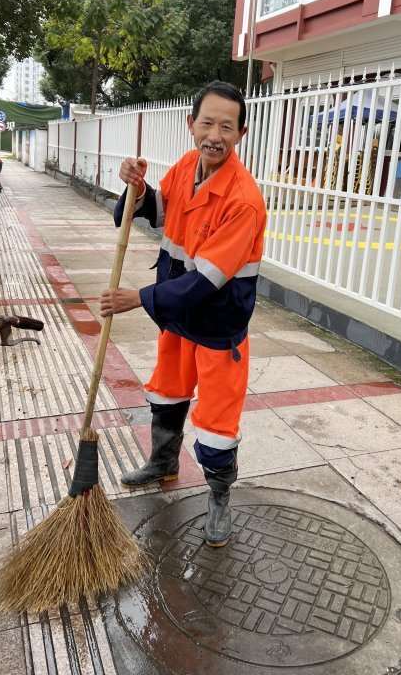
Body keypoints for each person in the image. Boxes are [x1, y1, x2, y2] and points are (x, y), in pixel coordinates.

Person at [100, 81, 266, 547]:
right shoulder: (184, 169)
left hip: (216, 327)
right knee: (167, 392)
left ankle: (218, 498)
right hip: (177, 320)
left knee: (216, 422)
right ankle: (164, 462)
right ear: (190, 124)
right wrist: (137, 188)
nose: (215, 134)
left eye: (226, 127)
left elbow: (205, 281)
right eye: (207, 122)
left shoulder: (244, 200)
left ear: (241, 134)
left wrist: (140, 297)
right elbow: (158, 209)